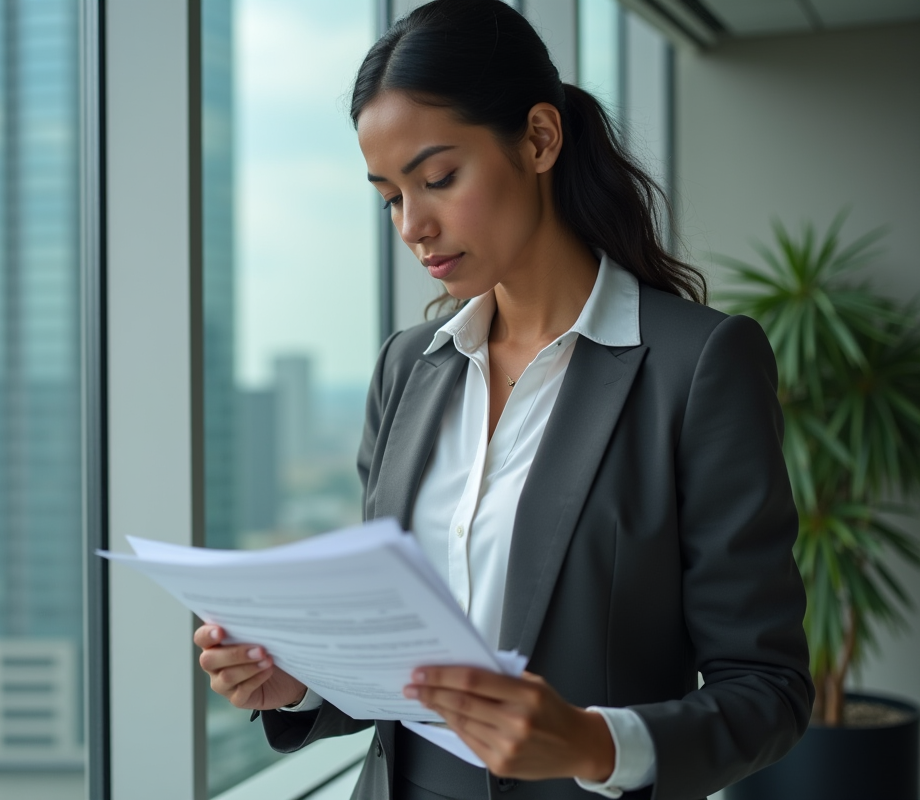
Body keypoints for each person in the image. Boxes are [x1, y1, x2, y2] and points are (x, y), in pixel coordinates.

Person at [194, 1, 814, 797]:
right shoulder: (407, 368)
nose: (414, 225)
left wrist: (595, 743)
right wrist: (300, 683)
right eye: (389, 196)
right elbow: (395, 655)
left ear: (540, 139)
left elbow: (768, 690)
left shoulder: (697, 366)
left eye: (439, 178)